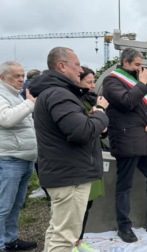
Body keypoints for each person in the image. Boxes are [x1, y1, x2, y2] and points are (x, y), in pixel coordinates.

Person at [29, 47, 109, 251]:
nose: (80, 69)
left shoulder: (53, 92)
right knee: (65, 239)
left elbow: (72, 128)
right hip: (70, 177)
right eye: (77, 64)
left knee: (57, 231)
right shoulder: (59, 94)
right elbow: (81, 132)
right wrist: (100, 114)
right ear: (62, 66)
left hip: (64, 174)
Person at [102, 48, 147, 243]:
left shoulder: (137, 82)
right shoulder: (112, 81)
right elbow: (126, 102)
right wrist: (142, 83)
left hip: (145, 141)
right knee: (124, 185)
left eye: (140, 64)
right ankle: (124, 227)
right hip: (126, 140)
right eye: (136, 64)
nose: (140, 68)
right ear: (125, 62)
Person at [0, 61, 38, 251]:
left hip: (23, 159)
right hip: (9, 160)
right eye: (16, 76)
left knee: (15, 205)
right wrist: (30, 103)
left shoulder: (15, 95)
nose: (22, 80)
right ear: (2, 77)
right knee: (3, 206)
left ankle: (10, 240)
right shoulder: (1, 95)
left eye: (22, 76)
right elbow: (6, 119)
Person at [75, 66, 108, 252]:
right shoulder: (75, 103)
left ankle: (78, 241)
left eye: (94, 81)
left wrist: (101, 118)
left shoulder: (92, 101)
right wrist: (99, 112)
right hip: (81, 162)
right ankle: (71, 243)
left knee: (87, 204)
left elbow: (101, 131)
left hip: (92, 158)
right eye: (89, 82)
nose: (93, 86)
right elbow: (84, 130)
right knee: (77, 208)